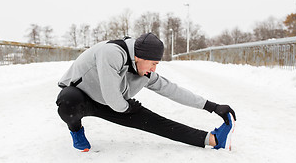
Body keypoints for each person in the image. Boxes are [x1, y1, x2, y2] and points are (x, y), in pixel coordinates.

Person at [56, 33, 236, 152]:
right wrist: (127, 108)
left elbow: (171, 90)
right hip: (82, 96)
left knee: (156, 123)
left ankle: (212, 140)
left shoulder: (144, 72)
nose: (154, 68)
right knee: (68, 102)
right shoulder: (111, 53)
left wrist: (211, 106)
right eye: (153, 63)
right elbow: (112, 97)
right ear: (138, 57)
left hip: (115, 103)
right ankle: (76, 130)